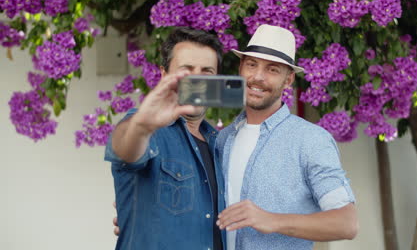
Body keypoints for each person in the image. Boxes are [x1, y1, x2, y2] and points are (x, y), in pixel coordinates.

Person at [215, 24, 359, 250]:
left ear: (289, 79)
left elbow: (346, 223)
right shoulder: (222, 139)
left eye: (272, 69)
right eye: (252, 64)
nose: (258, 77)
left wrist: (272, 220)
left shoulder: (311, 141)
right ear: (241, 68)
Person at [105, 27, 225, 250]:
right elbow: (124, 148)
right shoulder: (147, 128)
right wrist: (142, 126)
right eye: (186, 71)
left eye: (206, 72)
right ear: (164, 75)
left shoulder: (220, 144)